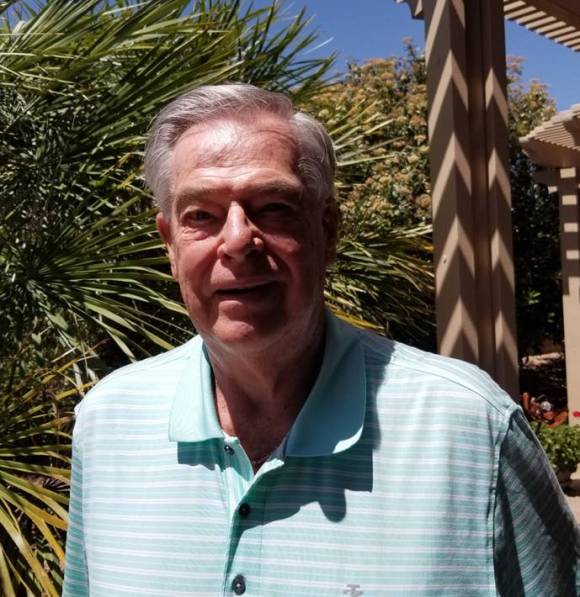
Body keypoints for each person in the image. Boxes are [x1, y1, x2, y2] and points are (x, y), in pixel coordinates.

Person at [63, 84, 580, 596]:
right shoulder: (108, 424)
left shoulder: (471, 430)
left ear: (327, 230)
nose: (238, 240)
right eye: (201, 215)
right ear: (170, 244)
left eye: (273, 206)